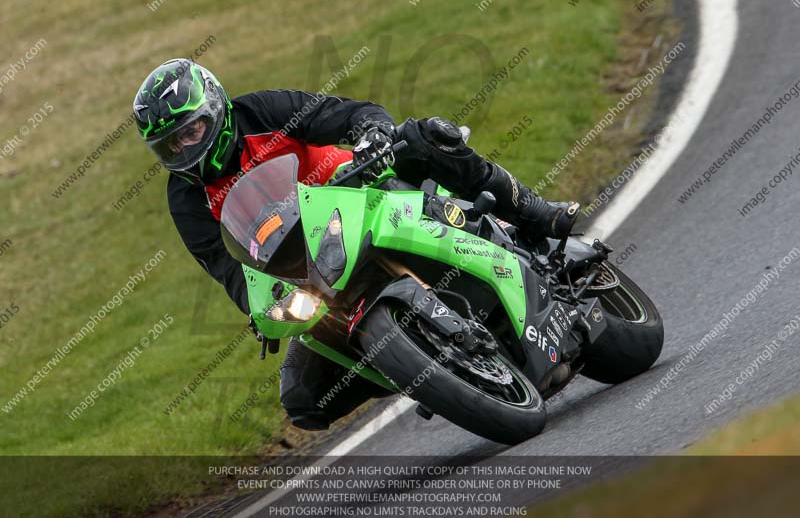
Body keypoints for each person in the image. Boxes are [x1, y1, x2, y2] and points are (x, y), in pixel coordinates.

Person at [133, 58, 579, 430]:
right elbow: (227, 269)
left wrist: (373, 133)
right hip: (307, 270)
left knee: (430, 135)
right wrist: (256, 310)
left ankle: (535, 211)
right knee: (303, 400)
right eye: (169, 146)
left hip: (360, 191)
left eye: (190, 131)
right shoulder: (185, 199)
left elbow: (344, 112)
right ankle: (423, 367)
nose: (183, 149)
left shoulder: (263, 111)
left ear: (216, 109)